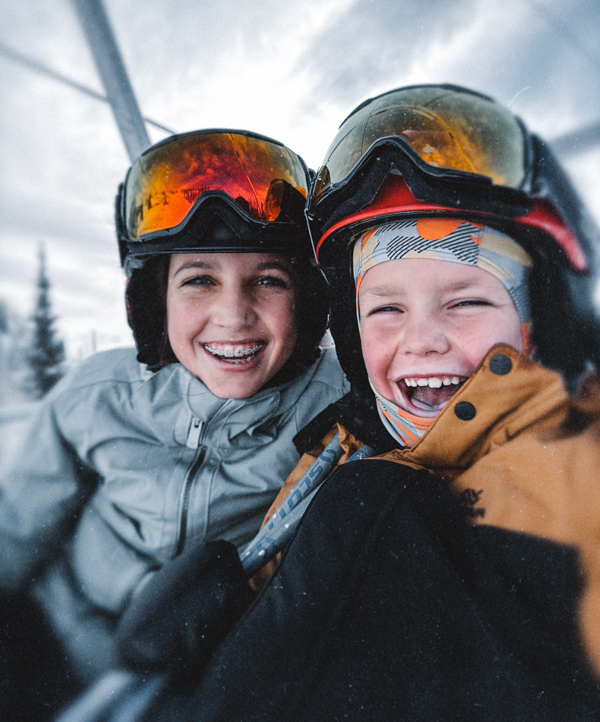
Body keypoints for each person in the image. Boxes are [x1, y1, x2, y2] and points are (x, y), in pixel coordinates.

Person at [124, 85, 600, 721]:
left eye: (466, 301)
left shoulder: (581, 474)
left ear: (540, 320)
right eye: (386, 309)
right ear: (350, 330)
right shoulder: (342, 446)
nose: (421, 338)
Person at [0, 129, 348, 718]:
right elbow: (14, 536)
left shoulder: (342, 405)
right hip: (52, 636)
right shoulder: (100, 395)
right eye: (199, 280)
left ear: (306, 301)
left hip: (195, 676)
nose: (233, 316)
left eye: (268, 279)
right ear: (155, 298)